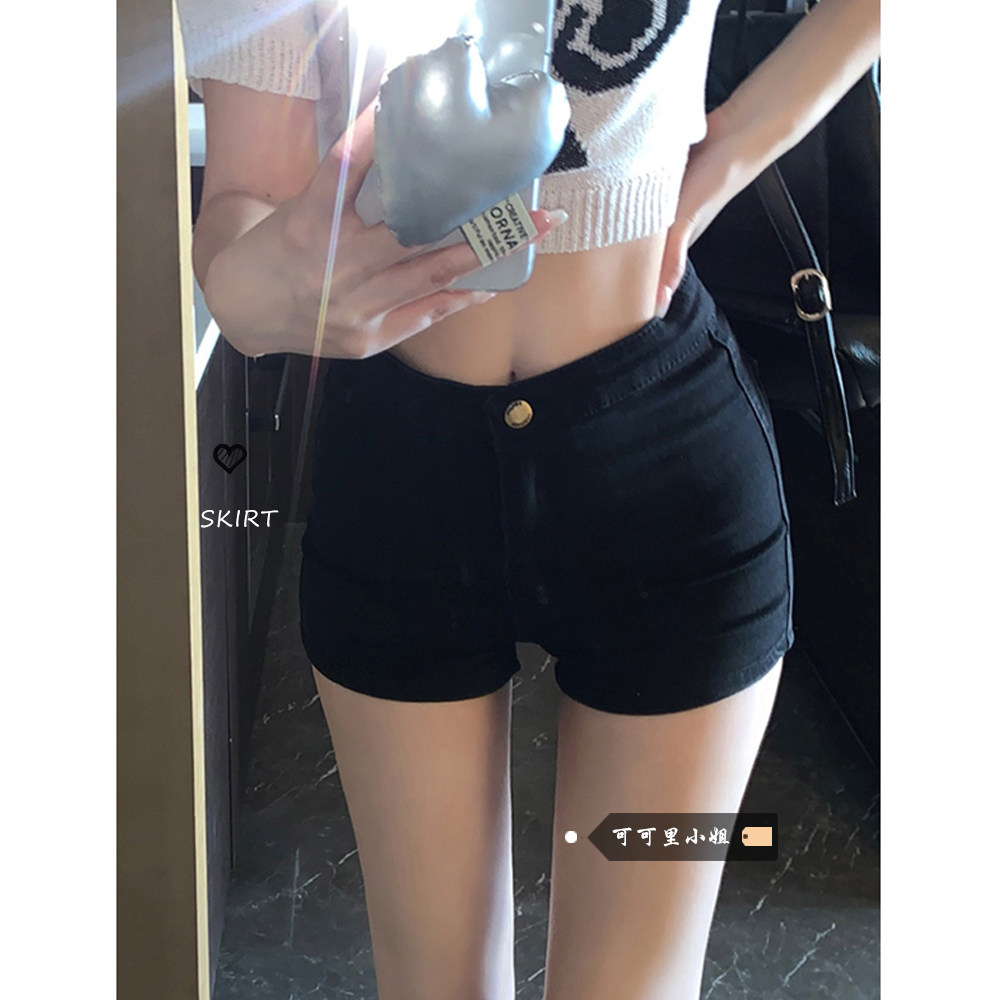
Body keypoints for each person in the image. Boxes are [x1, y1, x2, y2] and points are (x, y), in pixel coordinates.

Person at [178, 1, 880, 997]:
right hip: (403, 474)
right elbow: (245, 197)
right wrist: (248, 293)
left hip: (669, 466)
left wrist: (717, 162)